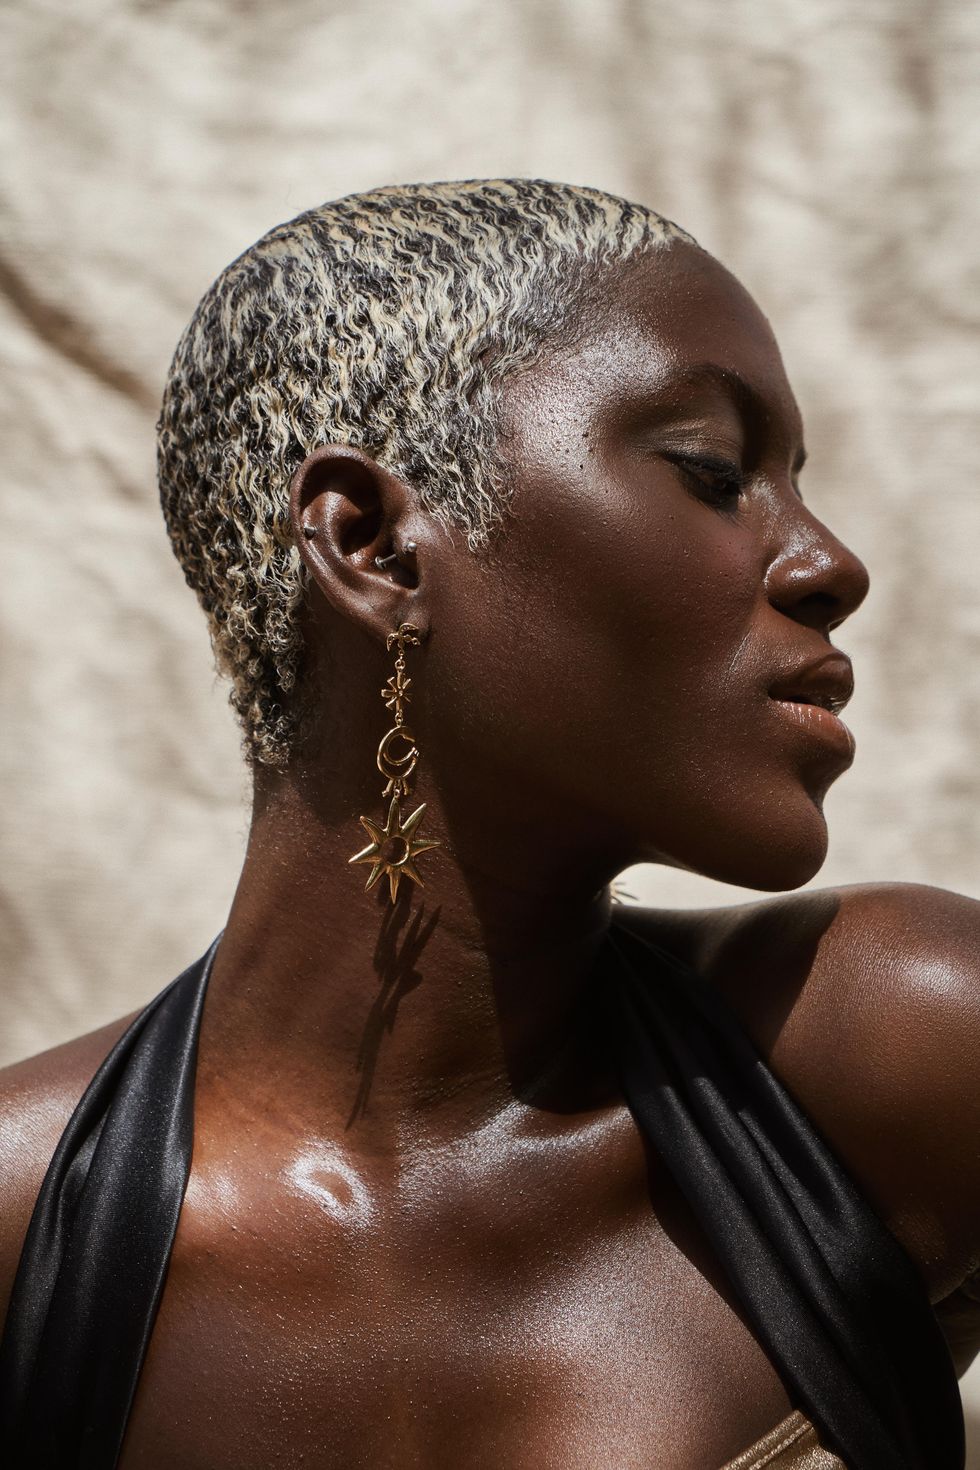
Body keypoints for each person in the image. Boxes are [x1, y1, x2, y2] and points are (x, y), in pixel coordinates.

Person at [0, 179, 977, 1470]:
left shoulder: (894, 1050)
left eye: (794, 481)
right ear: (375, 546)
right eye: (714, 470)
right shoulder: (25, 1240)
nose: (829, 564)